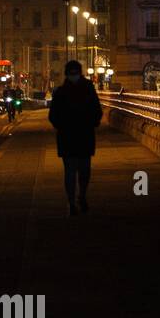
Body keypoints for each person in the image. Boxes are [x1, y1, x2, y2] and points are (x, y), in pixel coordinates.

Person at [49, 60, 103, 216]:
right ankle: (75, 200)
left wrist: (61, 126)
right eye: (72, 73)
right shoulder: (71, 91)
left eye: (75, 73)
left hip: (71, 136)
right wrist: (93, 123)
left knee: (76, 171)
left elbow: (53, 116)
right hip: (80, 135)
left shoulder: (67, 91)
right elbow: (97, 111)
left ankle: (77, 198)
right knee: (77, 170)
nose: (74, 76)